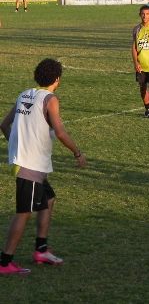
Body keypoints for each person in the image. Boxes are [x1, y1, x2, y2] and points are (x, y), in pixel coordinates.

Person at [0, 59, 87, 275]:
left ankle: (41, 249)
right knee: (24, 213)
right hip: (30, 165)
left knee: (48, 199)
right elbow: (60, 131)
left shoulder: (24, 94)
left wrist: (15, 146)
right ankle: (5, 262)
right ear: (57, 79)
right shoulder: (50, 99)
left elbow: (4, 124)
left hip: (30, 163)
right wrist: (77, 152)